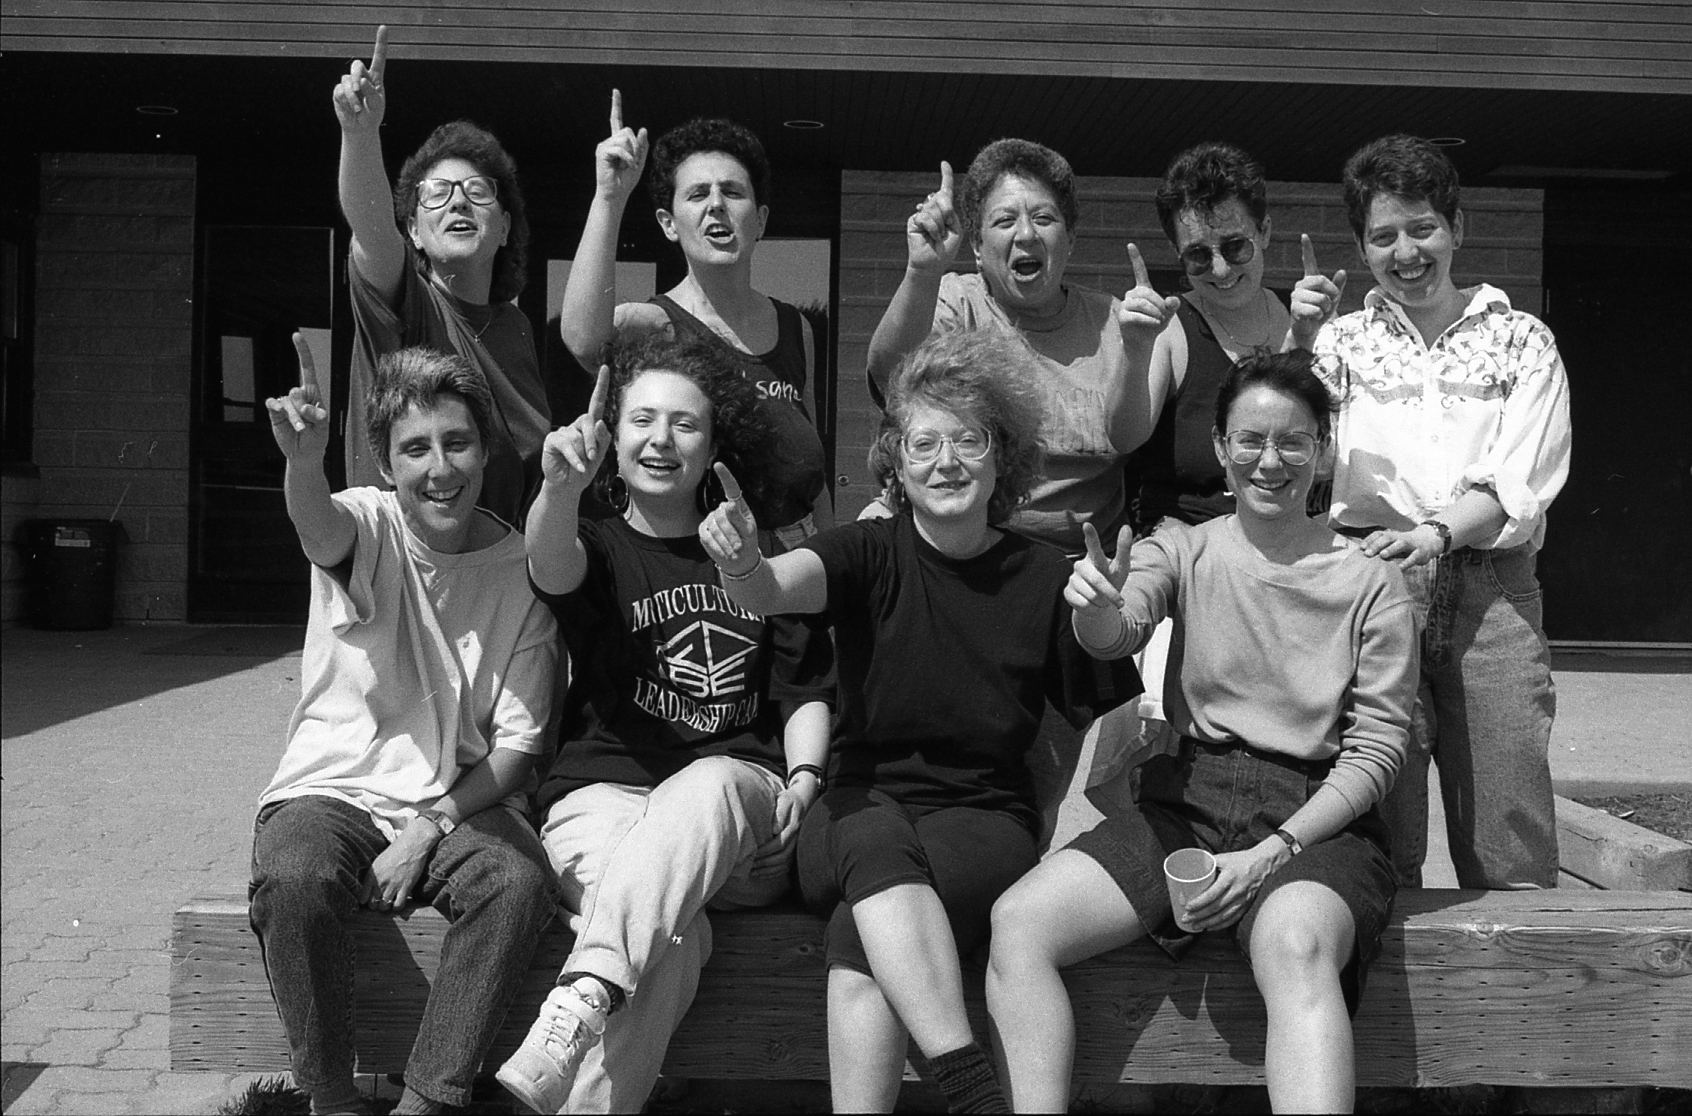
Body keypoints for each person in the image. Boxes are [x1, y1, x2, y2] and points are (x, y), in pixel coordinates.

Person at [699, 330, 1140, 1113]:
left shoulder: (1043, 575)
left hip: (982, 819)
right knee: (871, 834)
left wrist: (1104, 614)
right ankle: (969, 1083)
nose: (946, 461)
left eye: (967, 440)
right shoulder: (869, 551)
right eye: (924, 442)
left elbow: (1109, 688)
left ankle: (956, 1082)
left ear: (1002, 457)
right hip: (855, 803)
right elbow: (770, 589)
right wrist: (740, 563)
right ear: (897, 463)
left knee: (856, 940)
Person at [987, 351, 1416, 1114]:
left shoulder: (1370, 582)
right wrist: (1095, 605)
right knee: (1020, 923)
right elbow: (1120, 626)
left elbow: (1378, 751)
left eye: (1294, 441)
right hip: (1184, 798)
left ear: (1323, 449)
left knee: (1297, 946)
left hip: (1316, 819)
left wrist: (1274, 851)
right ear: (1220, 448)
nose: (1270, 460)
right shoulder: (1182, 545)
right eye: (1249, 439)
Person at [496, 335, 835, 1114]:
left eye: (685, 424)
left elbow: (804, 686)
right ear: (611, 441)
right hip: (603, 804)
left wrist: (807, 781)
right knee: (676, 941)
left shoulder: (758, 554)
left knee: (710, 781)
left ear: (717, 445)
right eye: (641, 420)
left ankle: (580, 993)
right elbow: (549, 565)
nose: (661, 439)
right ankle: (586, 1011)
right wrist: (557, 491)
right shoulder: (599, 548)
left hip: (740, 820)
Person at [249, 341, 559, 1116]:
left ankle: (428, 1101)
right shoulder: (368, 523)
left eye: (456, 442)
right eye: (414, 449)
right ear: (386, 465)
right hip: (335, 787)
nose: (439, 468)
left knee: (517, 884)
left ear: (485, 451)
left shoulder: (524, 570)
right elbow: (319, 529)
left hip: (458, 800)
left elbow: (519, 748)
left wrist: (427, 828)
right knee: (294, 877)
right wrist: (304, 462)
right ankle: (330, 1098)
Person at [1307, 134, 1571, 891]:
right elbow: (1298, 463)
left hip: (1492, 591)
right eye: (1382, 236)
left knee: (1509, 813)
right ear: (1361, 248)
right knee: (1379, 824)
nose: (1406, 251)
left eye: (1421, 227)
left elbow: (1523, 477)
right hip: (1370, 584)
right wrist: (1296, 342)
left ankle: (1523, 1000)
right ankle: (1391, 1002)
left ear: (1456, 226)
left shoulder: (1521, 340)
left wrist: (1435, 533)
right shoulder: (1340, 345)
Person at [864, 138, 1176, 555]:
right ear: (976, 247)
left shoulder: (1117, 321)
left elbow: (1129, 437)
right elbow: (891, 380)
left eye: (1044, 218)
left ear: (1071, 239)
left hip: (1084, 566)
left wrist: (1137, 350)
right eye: (1004, 220)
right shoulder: (955, 302)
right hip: (971, 555)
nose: (1026, 233)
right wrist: (923, 270)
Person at [558, 95, 832, 546]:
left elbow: (813, 471)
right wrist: (609, 196)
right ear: (669, 223)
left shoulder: (795, 328)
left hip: (797, 558)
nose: (717, 205)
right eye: (698, 194)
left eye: (733, 192)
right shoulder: (655, 323)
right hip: (707, 567)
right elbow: (583, 339)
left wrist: (833, 563)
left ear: (760, 220)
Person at [335, 26, 551, 524]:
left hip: (497, 570)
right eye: (436, 193)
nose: (457, 200)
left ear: (503, 227)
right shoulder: (404, 298)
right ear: (413, 228)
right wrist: (361, 134)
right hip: (400, 566)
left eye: (477, 191)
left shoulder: (515, 330)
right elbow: (369, 228)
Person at [1138, 141, 1345, 530]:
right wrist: (1133, 347)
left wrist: (1303, 340)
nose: (1219, 269)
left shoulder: (1311, 318)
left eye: (1236, 247)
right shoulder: (1166, 327)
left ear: (1264, 231)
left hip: (1295, 544)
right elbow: (1125, 440)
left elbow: (1335, 458)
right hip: (1190, 546)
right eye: (1198, 254)